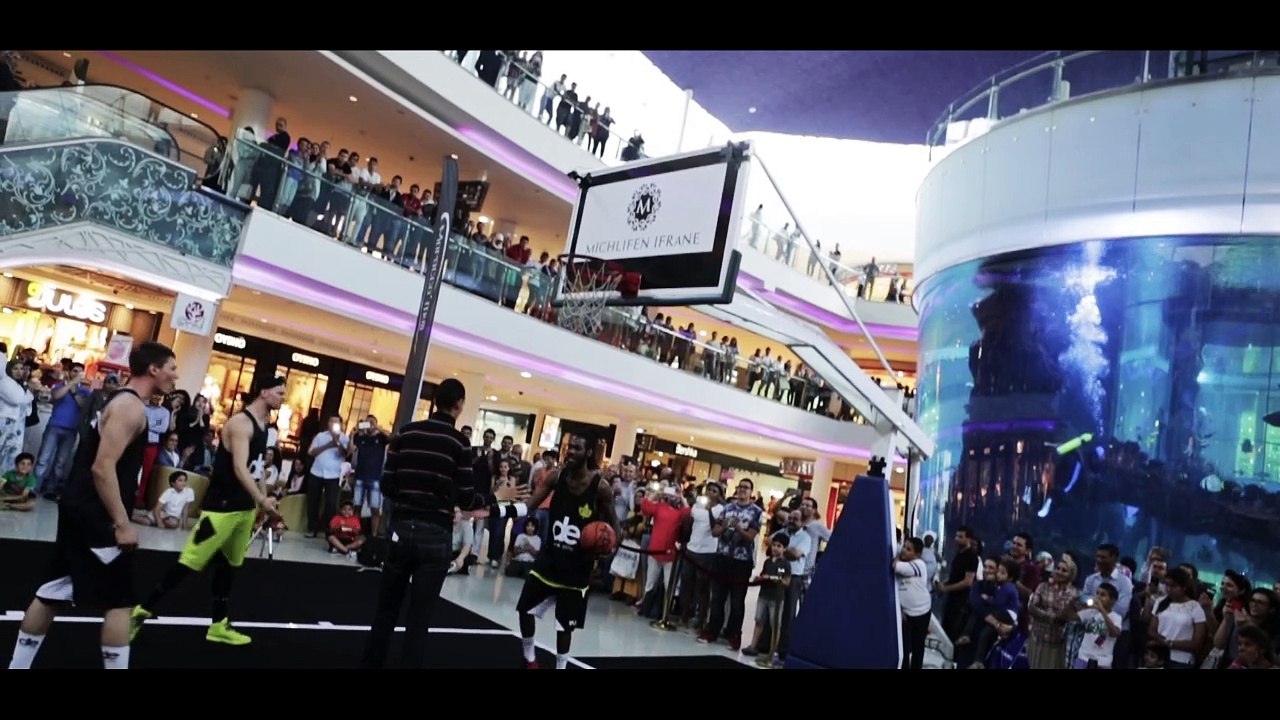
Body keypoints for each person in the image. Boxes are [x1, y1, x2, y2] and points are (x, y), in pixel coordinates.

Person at [7, 341, 177, 670]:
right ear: (153, 369)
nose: (176, 375)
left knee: (52, 590)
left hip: (80, 508)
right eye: (171, 368)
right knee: (120, 601)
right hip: (97, 516)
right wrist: (122, 522)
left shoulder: (121, 401)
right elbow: (103, 467)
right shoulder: (130, 407)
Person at [360, 378, 528, 669]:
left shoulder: (406, 434)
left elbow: (387, 485)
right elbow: (465, 497)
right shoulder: (459, 443)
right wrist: (495, 496)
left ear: (436, 400)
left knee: (386, 610)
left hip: (401, 530)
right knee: (419, 617)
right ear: (459, 405)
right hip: (435, 535)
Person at [129, 376, 284, 647]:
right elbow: (237, 467)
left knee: (229, 566)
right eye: (279, 392)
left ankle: (218, 624)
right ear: (264, 391)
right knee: (190, 562)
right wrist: (261, 497)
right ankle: (142, 610)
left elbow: (256, 468)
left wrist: (262, 502)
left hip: (244, 508)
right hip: (222, 507)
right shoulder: (240, 423)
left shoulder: (264, 426)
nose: (283, 397)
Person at [489, 433, 620, 669]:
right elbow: (529, 506)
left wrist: (607, 548)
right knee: (524, 609)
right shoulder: (557, 476)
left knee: (564, 626)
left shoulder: (601, 487)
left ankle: (561, 666)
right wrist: (494, 508)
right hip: (549, 559)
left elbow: (615, 528)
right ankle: (529, 657)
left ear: (588, 453)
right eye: (568, 447)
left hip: (577, 567)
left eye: (577, 448)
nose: (570, 452)